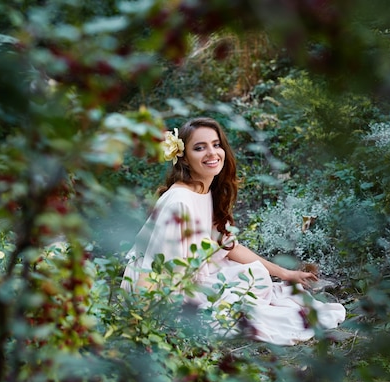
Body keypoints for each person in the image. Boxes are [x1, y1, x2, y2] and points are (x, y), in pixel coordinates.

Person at [121, 117, 346, 345]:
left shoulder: (205, 190)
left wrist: (285, 273)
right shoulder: (179, 201)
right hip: (162, 289)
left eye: (216, 145)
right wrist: (137, 326)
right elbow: (151, 270)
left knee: (256, 276)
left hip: (189, 276)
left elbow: (228, 246)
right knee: (243, 308)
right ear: (185, 159)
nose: (212, 153)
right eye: (199, 148)